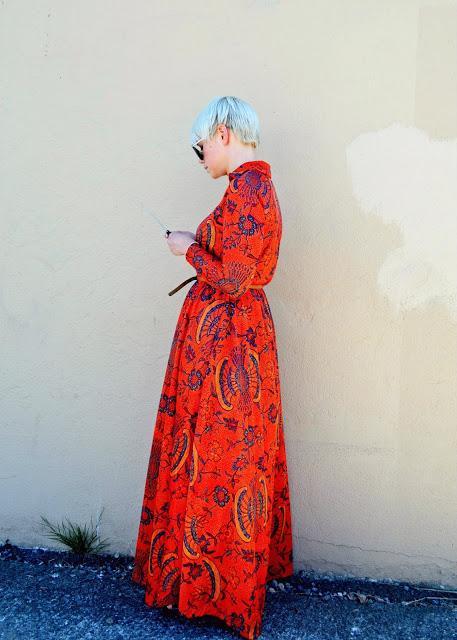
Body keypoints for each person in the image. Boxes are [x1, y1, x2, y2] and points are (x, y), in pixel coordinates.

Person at [131, 96, 294, 640]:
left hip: (232, 348)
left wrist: (188, 251)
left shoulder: (251, 189)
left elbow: (235, 277)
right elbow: (233, 262)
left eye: (200, 146)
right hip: (221, 342)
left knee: (225, 456)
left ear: (223, 133)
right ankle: (195, 580)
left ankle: (221, 592)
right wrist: (198, 244)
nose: (199, 156)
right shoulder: (241, 190)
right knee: (210, 453)